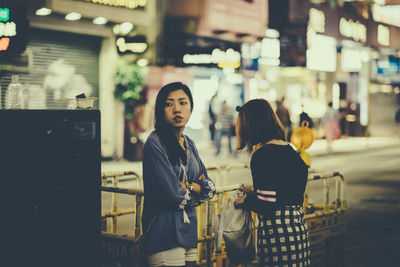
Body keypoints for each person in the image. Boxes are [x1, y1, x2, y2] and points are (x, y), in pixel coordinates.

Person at [142, 82, 216, 267]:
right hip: (163, 234)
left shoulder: (189, 143)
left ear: (191, 107)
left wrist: (190, 186)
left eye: (183, 103)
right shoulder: (155, 142)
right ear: (160, 110)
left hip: (189, 233)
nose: (177, 109)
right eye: (169, 104)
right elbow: (173, 196)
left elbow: (210, 188)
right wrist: (196, 191)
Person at [233, 99, 310, 267]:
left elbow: (267, 204)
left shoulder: (263, 155)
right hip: (298, 231)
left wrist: (246, 200)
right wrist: (255, 191)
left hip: (278, 235)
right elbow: (284, 192)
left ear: (251, 125)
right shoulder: (290, 151)